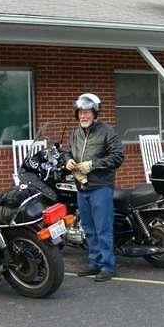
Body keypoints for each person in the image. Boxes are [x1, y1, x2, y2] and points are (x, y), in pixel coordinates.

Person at [66, 93, 124, 282]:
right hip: (82, 187)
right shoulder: (75, 133)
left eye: (87, 112)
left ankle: (108, 266)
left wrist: (93, 165)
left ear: (95, 113)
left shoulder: (107, 131)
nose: (83, 116)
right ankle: (95, 263)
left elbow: (118, 157)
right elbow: (68, 151)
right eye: (81, 112)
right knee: (89, 228)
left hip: (100, 186)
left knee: (102, 229)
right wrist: (68, 160)